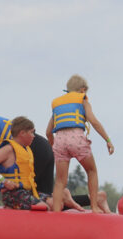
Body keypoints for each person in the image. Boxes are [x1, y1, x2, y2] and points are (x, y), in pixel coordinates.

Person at [0, 117, 84, 212]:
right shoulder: (8, 149)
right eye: (31, 132)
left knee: (55, 204)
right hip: (12, 194)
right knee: (43, 207)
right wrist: (4, 181)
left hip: (27, 192)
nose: (33, 136)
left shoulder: (26, 150)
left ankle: (64, 197)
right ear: (22, 133)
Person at [46, 74, 113, 213]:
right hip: (76, 138)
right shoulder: (82, 101)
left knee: (59, 181)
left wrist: (54, 146)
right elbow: (94, 122)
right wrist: (107, 140)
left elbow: (48, 131)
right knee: (91, 171)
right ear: (82, 90)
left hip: (59, 139)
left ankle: (56, 212)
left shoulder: (58, 104)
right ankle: (94, 207)